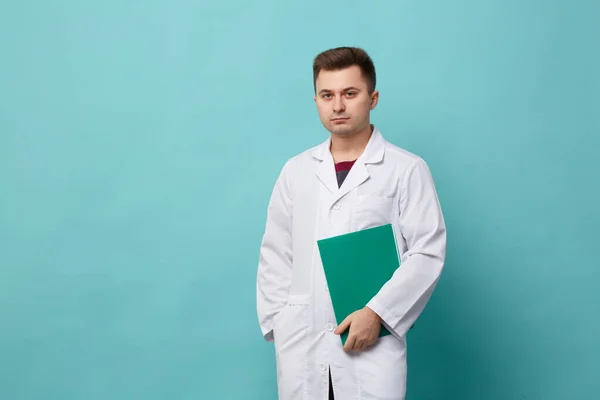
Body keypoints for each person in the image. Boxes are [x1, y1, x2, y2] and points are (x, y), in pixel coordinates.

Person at [256, 46, 446, 400]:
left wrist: (378, 313)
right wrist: (280, 323)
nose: (338, 106)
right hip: (303, 341)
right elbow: (275, 254)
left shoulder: (405, 169)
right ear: (316, 100)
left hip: (370, 346)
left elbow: (427, 253)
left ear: (372, 98)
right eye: (327, 95)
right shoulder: (296, 171)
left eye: (350, 93)